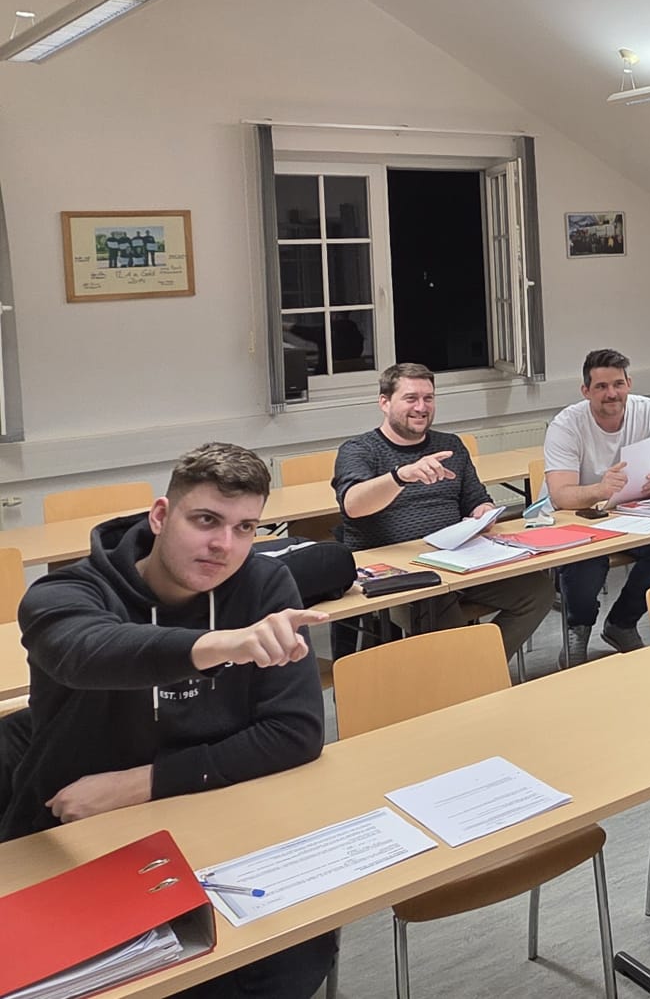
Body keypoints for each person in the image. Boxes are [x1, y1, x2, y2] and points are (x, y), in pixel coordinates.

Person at [3, 442, 338, 997]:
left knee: (299, 945)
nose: (224, 545)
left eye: (245, 528)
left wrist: (145, 782)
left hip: (207, 813)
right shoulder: (66, 593)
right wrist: (219, 645)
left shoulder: (264, 585)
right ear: (161, 516)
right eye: (205, 520)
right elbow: (88, 652)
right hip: (79, 830)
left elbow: (296, 732)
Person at [335, 363, 552, 660]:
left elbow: (477, 499)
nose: (421, 407)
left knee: (537, 591)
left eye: (429, 398)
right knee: (440, 615)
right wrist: (401, 476)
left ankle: (480, 668)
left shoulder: (450, 445)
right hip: (398, 573)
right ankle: (465, 675)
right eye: (411, 398)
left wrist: (483, 512)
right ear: (384, 402)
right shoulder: (359, 449)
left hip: (456, 559)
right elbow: (353, 504)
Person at [544, 349, 650, 663]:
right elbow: (560, 495)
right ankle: (578, 629)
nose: (612, 393)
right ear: (585, 391)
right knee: (585, 564)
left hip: (630, 511)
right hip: (578, 519)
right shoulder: (566, 425)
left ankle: (622, 623)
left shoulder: (648, 410)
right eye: (601, 387)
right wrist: (600, 489)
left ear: (629, 384)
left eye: (618, 384)